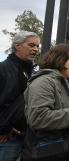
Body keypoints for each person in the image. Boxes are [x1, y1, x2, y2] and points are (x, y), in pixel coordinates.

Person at [0, 31, 40, 161]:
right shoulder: (3, 69)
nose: (35, 49)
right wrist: (4, 128)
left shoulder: (33, 71)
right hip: (6, 137)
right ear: (17, 46)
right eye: (32, 45)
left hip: (27, 137)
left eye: (37, 47)